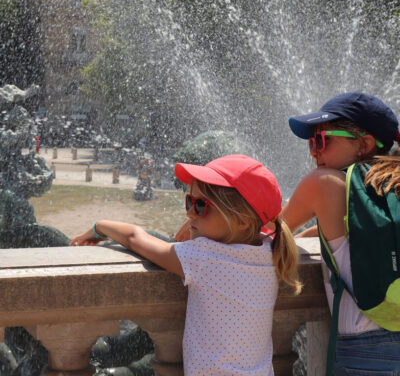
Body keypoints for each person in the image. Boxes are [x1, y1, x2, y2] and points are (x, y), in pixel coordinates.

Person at [70, 154, 302, 376]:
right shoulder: (270, 250)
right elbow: (261, 224)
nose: (191, 213)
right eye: (189, 202)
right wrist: (199, 220)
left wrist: (98, 227)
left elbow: (134, 238)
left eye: (201, 206)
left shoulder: (203, 257)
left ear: (242, 220)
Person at [282, 92, 400, 375]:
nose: (313, 152)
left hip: (367, 352)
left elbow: (268, 233)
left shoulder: (323, 183)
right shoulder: (390, 188)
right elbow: (355, 233)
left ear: (364, 145)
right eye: (311, 143)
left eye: (321, 140)